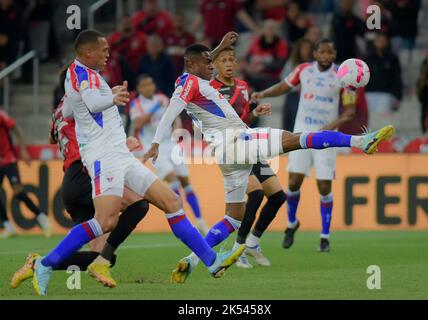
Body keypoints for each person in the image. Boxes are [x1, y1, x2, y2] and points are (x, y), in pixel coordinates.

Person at [143, 32, 395, 283]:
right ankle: (361, 141)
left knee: (233, 216)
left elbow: (204, 59)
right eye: (207, 64)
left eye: (213, 62)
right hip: (237, 143)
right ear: (191, 64)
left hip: (227, 156)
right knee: (297, 139)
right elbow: (172, 108)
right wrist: (155, 142)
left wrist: (220, 46)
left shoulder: (202, 82)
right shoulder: (189, 81)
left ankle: (192, 260)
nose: (212, 66)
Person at [27, 29, 245, 296]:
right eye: (103, 50)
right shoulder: (80, 73)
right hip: (103, 157)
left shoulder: (88, 75)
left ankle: (211, 262)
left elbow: (73, 109)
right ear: (87, 52)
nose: (108, 54)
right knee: (105, 222)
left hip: (119, 153)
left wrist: (89, 107)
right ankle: (45, 264)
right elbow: (94, 104)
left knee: (172, 202)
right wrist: (112, 98)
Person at [11, 88, 150, 289]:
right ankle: (41, 263)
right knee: (139, 205)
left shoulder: (59, 111)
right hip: (86, 173)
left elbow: (52, 138)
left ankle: (36, 263)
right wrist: (122, 145)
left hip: (72, 181)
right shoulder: (82, 102)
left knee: (101, 258)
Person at [252, 39, 356, 252]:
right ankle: (291, 224)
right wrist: (262, 94)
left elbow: (350, 111)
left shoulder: (343, 76)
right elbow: (284, 86)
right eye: (322, 52)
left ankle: (325, 236)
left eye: (330, 52)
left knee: (324, 185)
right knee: (293, 182)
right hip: (302, 133)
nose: (326, 56)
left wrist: (331, 125)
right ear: (315, 53)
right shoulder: (303, 70)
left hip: (327, 136)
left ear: (334, 54)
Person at [210, 46, 286, 268]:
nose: (229, 63)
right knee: (256, 194)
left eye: (232, 59)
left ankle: (252, 243)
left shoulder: (242, 87)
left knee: (278, 196)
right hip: (230, 151)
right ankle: (238, 248)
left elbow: (242, 121)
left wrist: (255, 113)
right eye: (223, 60)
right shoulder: (209, 89)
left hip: (248, 144)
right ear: (214, 64)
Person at [130, 74, 208, 234]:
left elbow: (175, 116)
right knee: (172, 179)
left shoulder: (162, 98)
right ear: (138, 89)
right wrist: (154, 108)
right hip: (152, 148)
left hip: (170, 144)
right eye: (143, 85)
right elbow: (138, 123)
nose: (148, 87)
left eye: (149, 83)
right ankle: (185, 223)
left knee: (185, 181)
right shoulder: (136, 104)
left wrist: (177, 127)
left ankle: (200, 221)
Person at [0, 109, 51, 238]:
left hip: (8, 159)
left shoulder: (1, 114)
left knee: (18, 192)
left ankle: (42, 217)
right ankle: (8, 225)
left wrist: (23, 150)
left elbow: (16, 129)